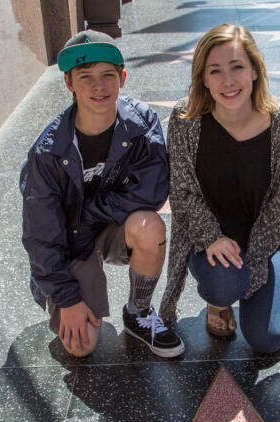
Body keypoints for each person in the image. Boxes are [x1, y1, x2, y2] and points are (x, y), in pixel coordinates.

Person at [20, 30, 184, 359]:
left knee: (150, 226)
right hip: (71, 243)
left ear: (122, 78)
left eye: (108, 75)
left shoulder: (141, 122)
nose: (99, 86)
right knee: (81, 346)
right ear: (69, 83)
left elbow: (151, 190)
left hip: (111, 227)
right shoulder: (48, 152)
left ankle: (138, 313)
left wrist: (92, 213)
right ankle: (76, 297)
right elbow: (41, 235)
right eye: (86, 76)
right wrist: (67, 299)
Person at [159, 24, 280, 354]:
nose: (228, 81)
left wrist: (253, 263)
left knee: (268, 340)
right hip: (209, 240)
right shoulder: (186, 119)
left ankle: (263, 303)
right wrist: (211, 237)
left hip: (266, 239)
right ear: (203, 78)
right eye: (215, 71)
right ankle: (217, 302)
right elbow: (181, 193)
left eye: (237, 67)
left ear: (254, 69)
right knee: (225, 284)